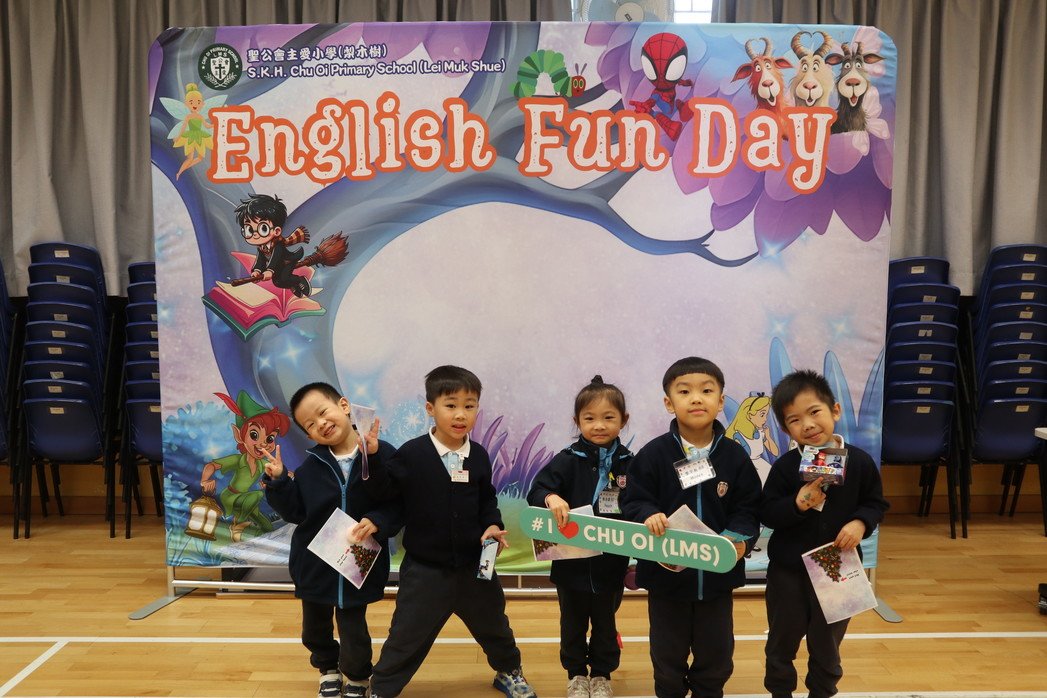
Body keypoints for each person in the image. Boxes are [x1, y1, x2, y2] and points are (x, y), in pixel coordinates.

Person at [364, 365, 538, 698]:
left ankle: (509, 671)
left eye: (469, 406)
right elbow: (385, 493)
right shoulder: (412, 453)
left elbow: (487, 500)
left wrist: (493, 524)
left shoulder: (479, 455)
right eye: (451, 405)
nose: (461, 414)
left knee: (495, 625)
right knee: (405, 635)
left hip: (476, 566)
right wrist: (372, 457)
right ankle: (381, 688)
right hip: (425, 570)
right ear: (430, 408)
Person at [622, 357, 761, 698]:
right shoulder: (653, 454)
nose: (696, 398)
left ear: (721, 400)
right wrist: (648, 514)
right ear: (669, 403)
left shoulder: (735, 456)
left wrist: (737, 541)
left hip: (717, 580)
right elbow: (634, 499)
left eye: (706, 391)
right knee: (667, 654)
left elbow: (748, 508)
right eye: (684, 392)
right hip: (666, 581)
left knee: (717, 655)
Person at [262, 382, 399, 698]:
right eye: (310, 424)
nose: (321, 424)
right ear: (308, 435)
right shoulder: (311, 467)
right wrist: (279, 482)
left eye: (323, 412)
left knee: (354, 630)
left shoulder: (380, 453)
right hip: (314, 564)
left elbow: (396, 501)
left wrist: (378, 521)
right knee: (314, 628)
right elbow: (296, 512)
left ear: (344, 406)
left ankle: (357, 677)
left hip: (358, 565)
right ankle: (327, 669)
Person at [762, 369, 889, 698]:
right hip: (788, 570)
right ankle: (780, 692)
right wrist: (797, 503)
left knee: (827, 644)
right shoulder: (785, 467)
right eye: (794, 420)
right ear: (785, 429)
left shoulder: (859, 462)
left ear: (835, 410)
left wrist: (860, 523)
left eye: (814, 412)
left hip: (840, 567)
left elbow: (876, 503)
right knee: (782, 639)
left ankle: (822, 691)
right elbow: (767, 512)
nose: (807, 425)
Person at [527, 376, 634, 698]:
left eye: (608, 417)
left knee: (605, 622)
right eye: (589, 418)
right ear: (577, 422)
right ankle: (576, 674)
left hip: (611, 564)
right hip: (569, 563)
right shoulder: (567, 459)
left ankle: (601, 674)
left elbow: (641, 502)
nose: (599, 425)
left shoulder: (630, 463)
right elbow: (537, 490)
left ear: (623, 420)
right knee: (572, 623)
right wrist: (550, 498)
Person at [200, 390, 290, 542]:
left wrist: (288, 474)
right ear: (238, 435)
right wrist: (204, 480)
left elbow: (276, 470)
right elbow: (212, 465)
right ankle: (237, 523)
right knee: (258, 495)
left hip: (247, 502)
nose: (263, 444)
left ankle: (256, 542)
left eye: (270, 438)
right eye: (254, 435)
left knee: (267, 526)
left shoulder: (261, 463)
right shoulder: (238, 460)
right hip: (231, 497)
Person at [236, 193, 312, 298]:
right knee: (277, 282)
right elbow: (261, 260)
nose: (255, 234)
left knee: (283, 278)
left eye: (263, 228)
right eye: (249, 229)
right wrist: (257, 271)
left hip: (287, 262)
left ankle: (299, 280)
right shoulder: (262, 247)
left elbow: (276, 258)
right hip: (277, 266)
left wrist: (270, 270)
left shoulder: (277, 245)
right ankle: (293, 284)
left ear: (276, 231)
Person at [723, 392, 779, 484]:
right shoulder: (737, 436)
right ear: (749, 415)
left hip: (764, 468)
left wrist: (768, 437)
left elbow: (775, 452)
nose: (765, 419)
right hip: (748, 472)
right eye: (762, 415)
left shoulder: (760, 433)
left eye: (766, 415)